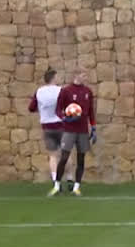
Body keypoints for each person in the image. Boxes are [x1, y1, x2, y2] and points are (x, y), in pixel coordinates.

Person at [49, 68, 97, 196]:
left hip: (83, 131)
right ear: (76, 75)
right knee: (64, 157)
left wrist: (93, 127)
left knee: (81, 159)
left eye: (86, 75)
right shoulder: (66, 91)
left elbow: (91, 112)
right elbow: (58, 109)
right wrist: (65, 117)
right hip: (69, 130)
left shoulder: (88, 92)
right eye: (83, 75)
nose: (86, 77)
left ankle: (76, 187)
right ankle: (57, 185)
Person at [28, 68, 63, 184]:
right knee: (65, 154)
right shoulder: (60, 90)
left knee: (53, 155)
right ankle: (69, 179)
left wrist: (42, 109)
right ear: (54, 78)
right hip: (61, 125)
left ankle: (55, 178)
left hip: (47, 127)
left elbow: (31, 108)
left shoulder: (39, 91)